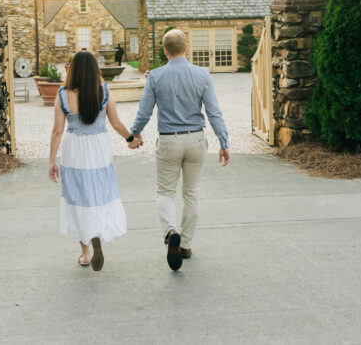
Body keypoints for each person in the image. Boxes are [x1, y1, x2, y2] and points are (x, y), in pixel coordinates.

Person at [129, 29, 229, 271]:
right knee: (191, 193)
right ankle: (185, 245)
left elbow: (145, 111)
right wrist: (224, 142)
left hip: (169, 141)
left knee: (165, 191)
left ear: (165, 50)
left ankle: (170, 231)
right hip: (196, 140)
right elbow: (213, 111)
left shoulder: (156, 76)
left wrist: (134, 133)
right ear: (187, 47)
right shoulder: (202, 74)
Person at [49, 50, 139, 271]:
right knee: (99, 193)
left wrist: (52, 161)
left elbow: (57, 131)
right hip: (98, 148)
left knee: (78, 196)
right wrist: (131, 138)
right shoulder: (105, 92)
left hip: (74, 149)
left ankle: (86, 253)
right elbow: (116, 123)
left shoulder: (62, 94)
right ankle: (97, 232)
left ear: (73, 70)